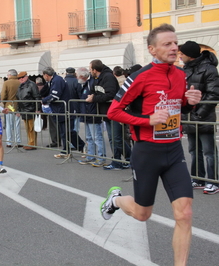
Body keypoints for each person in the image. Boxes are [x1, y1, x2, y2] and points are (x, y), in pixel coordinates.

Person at [100, 23, 202, 266]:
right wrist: (147, 120)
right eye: (167, 44)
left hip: (174, 151)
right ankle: (115, 200)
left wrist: (190, 102)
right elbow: (114, 112)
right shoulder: (139, 77)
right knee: (142, 214)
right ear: (152, 49)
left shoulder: (180, 74)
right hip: (146, 152)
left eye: (175, 43)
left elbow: (177, 108)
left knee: (185, 213)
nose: (174, 48)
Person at [179, 40, 219, 194]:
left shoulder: (209, 69)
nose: (180, 56)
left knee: (209, 151)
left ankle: (213, 181)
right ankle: (197, 178)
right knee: (194, 150)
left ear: (190, 55)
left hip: (204, 116)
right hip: (190, 117)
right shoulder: (185, 69)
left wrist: (199, 113)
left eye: (182, 54)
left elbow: (214, 94)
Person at [87, 59, 131, 169]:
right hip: (106, 113)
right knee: (112, 139)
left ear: (95, 70)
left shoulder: (108, 77)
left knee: (117, 138)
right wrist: (91, 96)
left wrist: (94, 98)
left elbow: (111, 95)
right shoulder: (96, 79)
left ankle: (131, 159)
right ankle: (116, 161)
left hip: (115, 112)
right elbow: (93, 92)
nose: (89, 71)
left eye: (90, 68)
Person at [42, 67, 85, 158]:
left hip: (65, 109)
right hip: (60, 109)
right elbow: (43, 92)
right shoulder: (52, 81)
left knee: (68, 131)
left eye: (43, 75)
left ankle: (81, 146)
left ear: (46, 75)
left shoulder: (57, 80)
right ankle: (66, 151)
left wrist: (44, 100)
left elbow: (55, 96)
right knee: (64, 132)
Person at [77, 67, 106, 165]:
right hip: (87, 114)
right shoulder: (86, 84)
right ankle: (91, 156)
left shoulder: (92, 83)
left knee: (96, 137)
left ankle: (101, 158)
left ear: (82, 76)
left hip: (92, 114)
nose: (77, 77)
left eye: (77, 76)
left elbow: (95, 96)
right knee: (89, 137)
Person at [16, 71, 40, 150]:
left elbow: (37, 97)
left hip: (31, 109)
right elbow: (18, 98)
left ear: (27, 77)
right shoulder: (20, 86)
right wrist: (19, 110)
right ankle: (30, 142)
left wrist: (38, 109)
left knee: (31, 127)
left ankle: (32, 143)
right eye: (19, 78)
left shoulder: (31, 84)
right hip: (24, 109)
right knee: (27, 128)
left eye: (22, 77)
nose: (21, 79)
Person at [0, 69, 23, 148]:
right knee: (17, 124)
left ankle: (9, 142)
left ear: (10, 75)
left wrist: (4, 102)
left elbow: (3, 96)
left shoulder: (6, 83)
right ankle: (18, 141)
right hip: (18, 106)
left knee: (9, 125)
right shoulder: (20, 82)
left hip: (9, 106)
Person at [65, 67, 83, 133]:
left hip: (65, 106)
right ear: (74, 73)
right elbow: (80, 95)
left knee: (66, 127)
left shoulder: (63, 81)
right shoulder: (77, 81)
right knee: (75, 127)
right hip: (75, 107)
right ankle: (75, 142)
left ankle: (68, 142)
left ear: (66, 73)